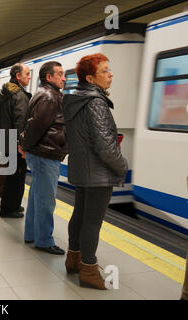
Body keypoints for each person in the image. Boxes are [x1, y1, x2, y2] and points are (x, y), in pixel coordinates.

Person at [62, 53, 128, 290]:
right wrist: (123, 167)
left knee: (79, 215)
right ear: (91, 78)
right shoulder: (96, 103)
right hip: (98, 173)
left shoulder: (76, 99)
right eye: (105, 70)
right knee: (92, 222)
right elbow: (106, 147)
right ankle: (89, 270)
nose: (110, 74)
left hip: (82, 169)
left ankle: (74, 258)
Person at [20, 61, 68, 255]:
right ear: (49, 77)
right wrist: (24, 145)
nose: (64, 78)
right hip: (45, 154)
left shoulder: (44, 93)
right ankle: (44, 240)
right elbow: (36, 126)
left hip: (42, 153)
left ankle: (31, 234)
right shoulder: (49, 96)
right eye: (60, 74)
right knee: (46, 200)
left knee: (36, 197)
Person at [0, 63, 31, 218]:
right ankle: (9, 208)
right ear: (18, 76)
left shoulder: (5, 93)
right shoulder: (19, 96)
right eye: (27, 74)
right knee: (17, 177)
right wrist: (21, 145)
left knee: (11, 175)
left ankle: (12, 205)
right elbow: (21, 122)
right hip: (15, 144)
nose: (29, 77)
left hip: (6, 140)